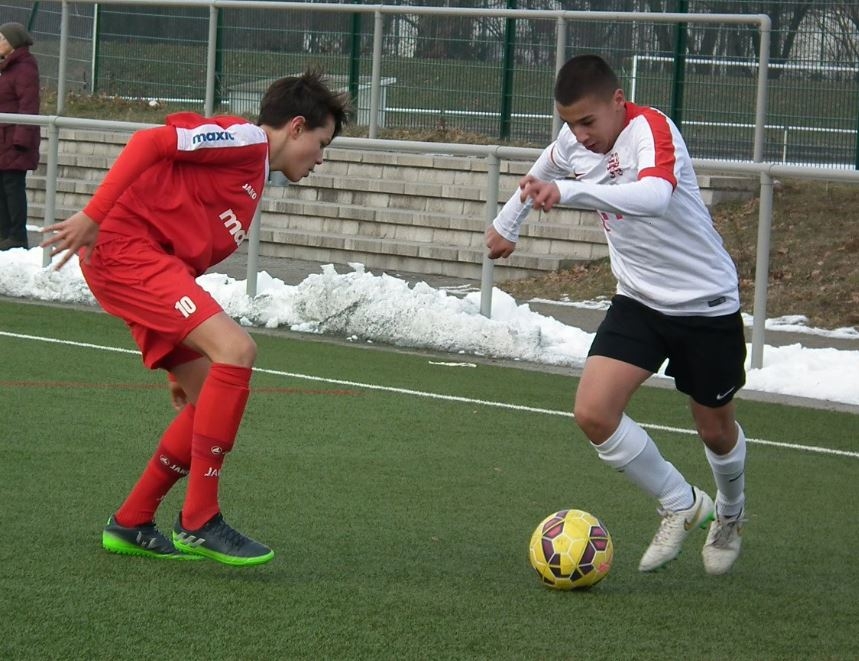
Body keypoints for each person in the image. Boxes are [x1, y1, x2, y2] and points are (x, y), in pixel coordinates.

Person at [41, 71, 351, 566]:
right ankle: (199, 520)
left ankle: (132, 520)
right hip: (125, 250)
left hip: (145, 261)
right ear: (296, 127)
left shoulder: (253, 173)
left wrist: (181, 347)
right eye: (322, 143)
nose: (320, 158)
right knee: (238, 350)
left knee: (208, 395)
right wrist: (93, 216)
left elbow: (180, 239)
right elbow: (150, 142)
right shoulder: (245, 140)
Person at [486, 54, 747, 576]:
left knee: (715, 431)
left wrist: (572, 191)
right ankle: (681, 502)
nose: (580, 136)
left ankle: (731, 512)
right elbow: (541, 172)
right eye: (569, 124)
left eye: (588, 121)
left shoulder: (651, 129)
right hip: (639, 301)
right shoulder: (572, 141)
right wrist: (507, 223)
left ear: (618, 101)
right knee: (594, 413)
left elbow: (654, 196)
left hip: (705, 304)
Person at [0, 22, 40, 251]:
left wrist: (21, 141)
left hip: (14, 141)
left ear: (12, 43)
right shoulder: (7, 67)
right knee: (2, 188)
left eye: (1, 38)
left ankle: (16, 236)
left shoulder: (24, 68)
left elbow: (28, 106)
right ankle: (4, 233)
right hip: (3, 139)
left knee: (12, 188)